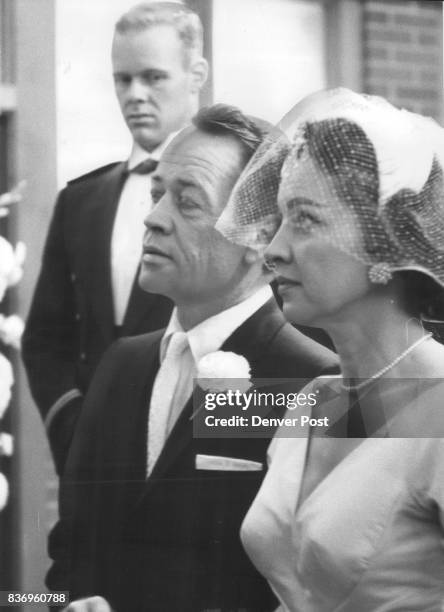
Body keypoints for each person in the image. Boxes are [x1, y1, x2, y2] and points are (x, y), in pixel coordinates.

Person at [47, 104, 338, 612]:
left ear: (259, 238)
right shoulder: (121, 364)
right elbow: (71, 543)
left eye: (188, 202)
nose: (153, 218)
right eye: (157, 193)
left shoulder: (315, 384)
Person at [217, 88, 444, 611]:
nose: (273, 251)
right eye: (279, 221)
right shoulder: (311, 403)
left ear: (383, 242)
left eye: (306, 219)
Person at [21, 1, 209, 475]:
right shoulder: (80, 201)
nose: (135, 94)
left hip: (192, 466)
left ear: (196, 75)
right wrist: (70, 425)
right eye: (123, 79)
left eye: (153, 77)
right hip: (93, 468)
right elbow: (45, 335)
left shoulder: (235, 195)